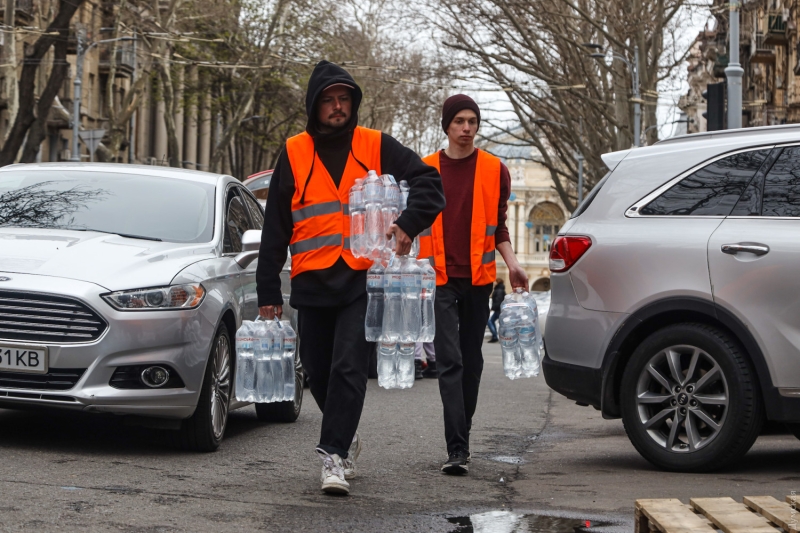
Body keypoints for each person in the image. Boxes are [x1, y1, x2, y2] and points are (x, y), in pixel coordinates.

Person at [256, 61, 445, 495]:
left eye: (344, 99)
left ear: (353, 103)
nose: (337, 106)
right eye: (329, 99)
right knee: (319, 372)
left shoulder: (375, 145)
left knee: (348, 367)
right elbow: (276, 226)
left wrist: (408, 224)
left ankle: (333, 456)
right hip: (311, 278)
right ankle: (345, 434)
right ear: (314, 105)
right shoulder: (295, 150)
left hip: (363, 278)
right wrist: (269, 288)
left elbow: (429, 182)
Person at [419, 94, 528, 475]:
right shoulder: (427, 168)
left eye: (472, 121)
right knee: (449, 359)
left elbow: (498, 225)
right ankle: (457, 448)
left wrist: (512, 264)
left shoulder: (495, 169)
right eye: (459, 121)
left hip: (480, 279)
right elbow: (414, 220)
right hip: (440, 278)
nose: (467, 128)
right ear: (447, 126)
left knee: (472, 361)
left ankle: (462, 436)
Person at [487, 278, 506, 343]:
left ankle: (495, 336)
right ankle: (495, 336)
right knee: (493, 321)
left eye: (495, 282)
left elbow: (498, 300)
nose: (494, 283)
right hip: (499, 309)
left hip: (499, 310)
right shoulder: (499, 290)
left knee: (491, 321)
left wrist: (492, 308)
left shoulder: (499, 290)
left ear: (498, 282)